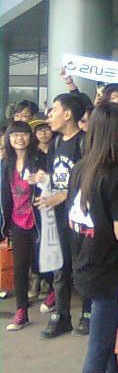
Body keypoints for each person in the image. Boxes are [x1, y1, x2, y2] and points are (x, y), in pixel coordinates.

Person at [68, 103, 118, 373]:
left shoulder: (80, 168)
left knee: (109, 347)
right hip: (110, 274)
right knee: (98, 354)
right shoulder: (117, 176)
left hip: (84, 266)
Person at [36, 92, 92, 338]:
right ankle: (62, 316)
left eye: (54, 109)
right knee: (60, 266)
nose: (49, 115)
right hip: (58, 216)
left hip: (80, 217)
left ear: (67, 114)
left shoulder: (85, 142)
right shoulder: (56, 143)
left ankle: (88, 313)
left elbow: (90, 179)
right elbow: (55, 175)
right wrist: (44, 180)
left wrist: (64, 195)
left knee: (82, 265)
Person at [1, 121, 47, 330]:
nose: (19, 139)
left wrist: (43, 179)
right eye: (14, 135)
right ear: (9, 139)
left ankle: (54, 293)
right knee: (20, 268)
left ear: (30, 136)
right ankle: (21, 311)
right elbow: (4, 195)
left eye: (23, 134)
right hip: (17, 221)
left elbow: (54, 183)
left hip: (39, 219)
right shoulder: (6, 163)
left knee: (41, 262)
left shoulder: (39, 158)